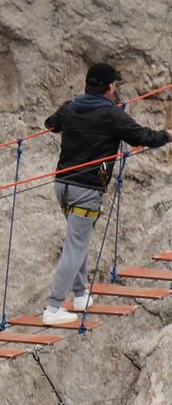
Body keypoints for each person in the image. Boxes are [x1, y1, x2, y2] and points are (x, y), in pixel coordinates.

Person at [42, 62, 168, 327]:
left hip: (62, 185)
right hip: (86, 190)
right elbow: (143, 136)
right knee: (76, 245)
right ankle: (53, 307)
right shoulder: (111, 115)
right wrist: (168, 135)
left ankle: (79, 295)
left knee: (79, 238)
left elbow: (51, 124)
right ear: (110, 87)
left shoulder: (70, 106)